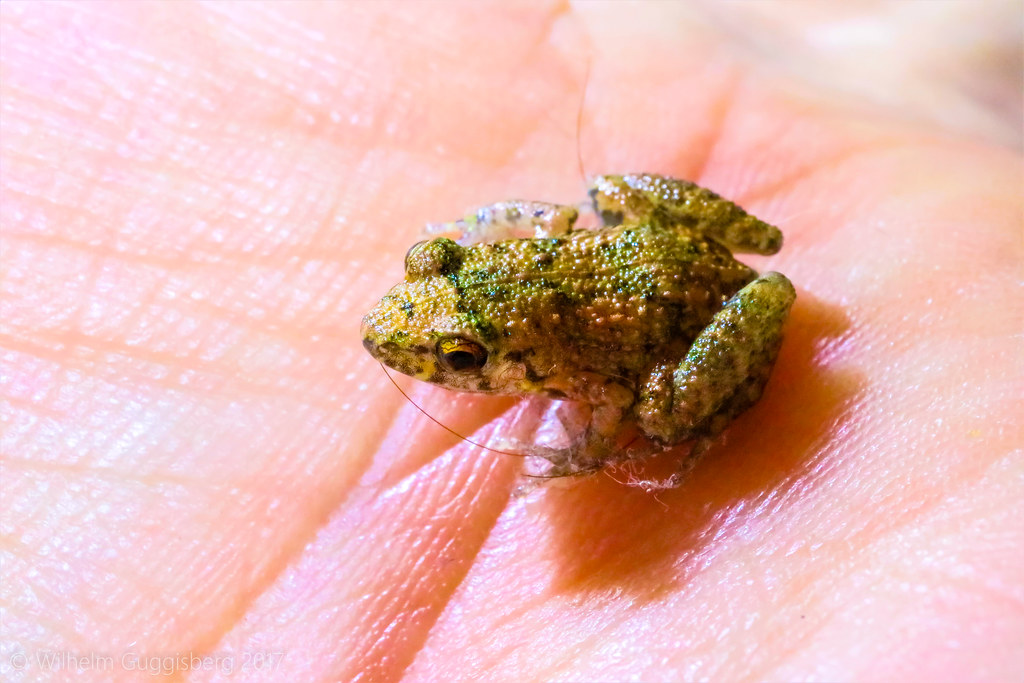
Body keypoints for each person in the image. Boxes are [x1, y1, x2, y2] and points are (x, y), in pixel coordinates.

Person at [2, 2, 1020, 680]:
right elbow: (540, 221)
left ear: (511, 363)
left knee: (661, 407)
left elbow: (613, 397)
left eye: (456, 361)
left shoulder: (566, 357)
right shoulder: (496, 265)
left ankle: (720, 383)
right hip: (644, 253)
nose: (433, 364)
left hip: (690, 311)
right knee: (608, 197)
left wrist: (589, 446)